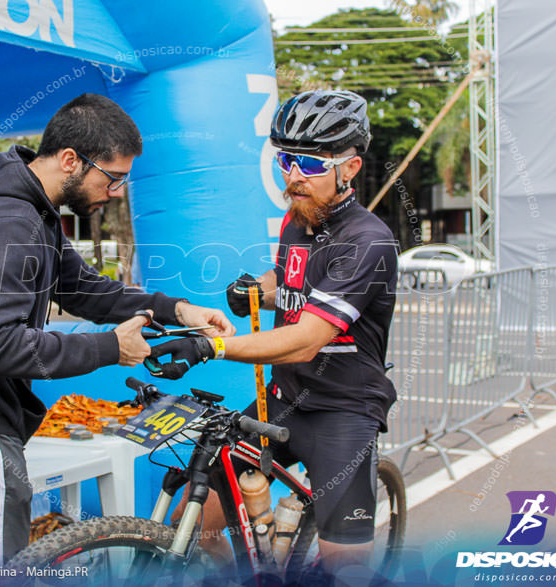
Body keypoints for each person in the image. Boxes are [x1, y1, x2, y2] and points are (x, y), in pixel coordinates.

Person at [0, 93, 235, 570]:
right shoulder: (13, 220)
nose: (114, 192)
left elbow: (83, 289)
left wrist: (176, 309)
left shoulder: (24, 209)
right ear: (71, 160)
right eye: (112, 178)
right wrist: (110, 348)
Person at [148, 90, 398, 575]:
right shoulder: (297, 221)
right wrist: (256, 289)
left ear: (349, 168)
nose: (293, 176)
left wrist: (210, 346)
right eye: (285, 160)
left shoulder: (368, 240)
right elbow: (290, 279)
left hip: (343, 412)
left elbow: (307, 336)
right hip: (286, 398)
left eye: (309, 163)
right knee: (192, 523)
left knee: (343, 569)